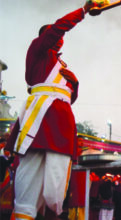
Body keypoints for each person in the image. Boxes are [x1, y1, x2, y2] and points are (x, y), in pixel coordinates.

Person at [4, 3, 94, 219]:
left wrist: (76, 85)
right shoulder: (39, 51)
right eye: (54, 34)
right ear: (45, 37)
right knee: (29, 183)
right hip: (39, 121)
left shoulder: (63, 67)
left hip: (60, 125)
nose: (59, 38)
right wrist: (82, 11)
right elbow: (58, 28)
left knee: (55, 186)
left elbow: (65, 99)